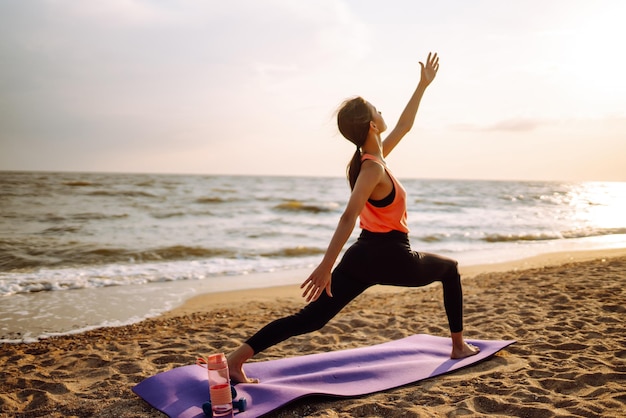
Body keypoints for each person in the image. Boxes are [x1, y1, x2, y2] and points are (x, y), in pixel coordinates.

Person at [227, 52, 479, 384]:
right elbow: (348, 216)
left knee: (311, 319)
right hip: (391, 255)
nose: (381, 111)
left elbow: (404, 126)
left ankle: (236, 359)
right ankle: (458, 347)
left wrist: (422, 86)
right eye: (377, 109)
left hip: (362, 256)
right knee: (450, 269)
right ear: (372, 124)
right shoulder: (373, 166)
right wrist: (325, 265)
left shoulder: (371, 159)